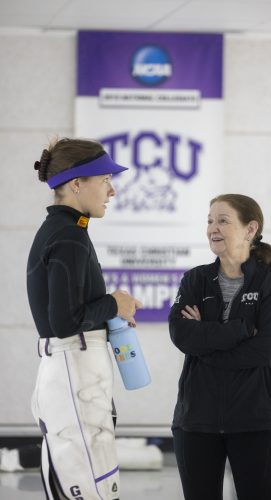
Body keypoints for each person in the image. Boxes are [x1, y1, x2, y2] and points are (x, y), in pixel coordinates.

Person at [27, 137, 142, 500]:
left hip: (68, 372)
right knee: (96, 490)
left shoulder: (65, 231)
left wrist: (111, 311)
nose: (112, 190)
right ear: (77, 183)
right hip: (73, 371)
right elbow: (65, 322)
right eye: (104, 180)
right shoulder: (69, 236)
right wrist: (114, 304)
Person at [169, 194, 271, 500]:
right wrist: (238, 330)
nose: (213, 227)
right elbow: (181, 335)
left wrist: (205, 343)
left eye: (223, 220)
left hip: (259, 421)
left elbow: (267, 351)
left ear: (250, 230)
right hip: (197, 420)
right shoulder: (195, 280)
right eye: (210, 220)